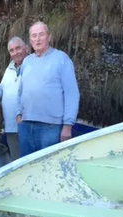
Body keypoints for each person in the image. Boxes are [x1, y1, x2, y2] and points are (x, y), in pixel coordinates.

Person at [16, 21, 80, 157]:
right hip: (26, 126)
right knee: (25, 170)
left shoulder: (62, 59)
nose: (37, 39)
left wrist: (68, 125)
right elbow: (20, 91)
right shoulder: (27, 61)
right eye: (34, 36)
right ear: (29, 39)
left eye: (41, 35)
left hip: (50, 128)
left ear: (49, 37)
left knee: (47, 170)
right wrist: (18, 114)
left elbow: (72, 94)